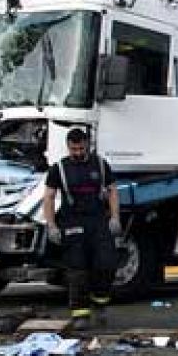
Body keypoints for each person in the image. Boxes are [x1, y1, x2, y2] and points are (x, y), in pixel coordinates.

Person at [42, 128, 121, 327]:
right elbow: (49, 197)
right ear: (68, 147)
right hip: (72, 222)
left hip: (98, 221)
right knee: (77, 270)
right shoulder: (58, 169)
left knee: (107, 264)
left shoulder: (101, 165)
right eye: (73, 149)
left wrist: (115, 218)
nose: (77, 152)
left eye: (80, 148)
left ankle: (100, 303)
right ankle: (80, 314)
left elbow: (112, 191)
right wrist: (51, 225)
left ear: (87, 145)